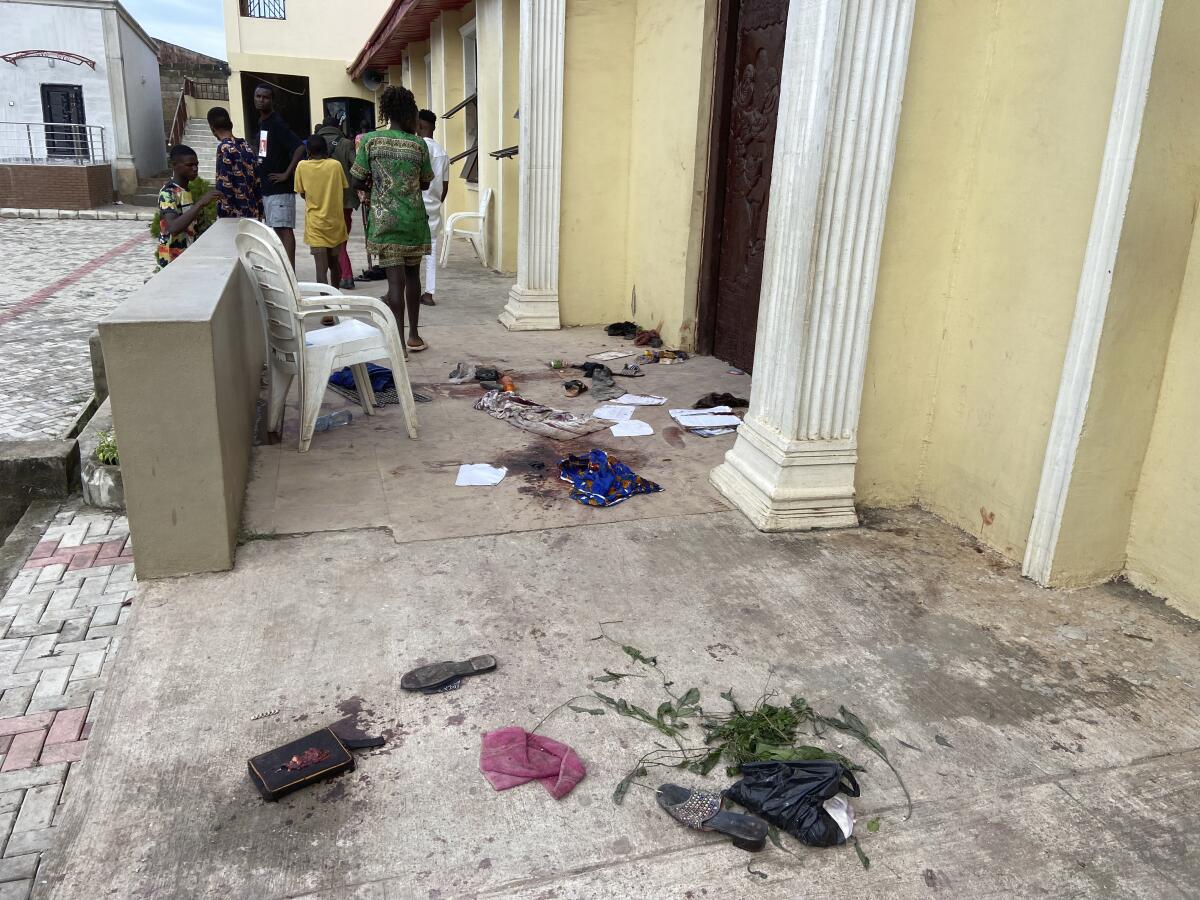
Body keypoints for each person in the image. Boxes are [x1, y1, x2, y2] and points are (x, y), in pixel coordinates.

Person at [351, 85, 433, 352]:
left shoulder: (371, 141)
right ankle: (414, 336)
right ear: (410, 112)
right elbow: (424, 183)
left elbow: (356, 179)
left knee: (394, 282)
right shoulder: (418, 144)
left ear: (386, 111)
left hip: (385, 220)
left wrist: (376, 182)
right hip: (412, 220)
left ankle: (397, 344)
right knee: (413, 276)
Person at [253, 83, 306, 268]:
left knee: (284, 230)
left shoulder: (277, 123)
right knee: (276, 229)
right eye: (258, 96)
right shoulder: (263, 123)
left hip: (280, 189)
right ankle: (283, 270)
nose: (261, 100)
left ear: (272, 100)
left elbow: (299, 147)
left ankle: (290, 272)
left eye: (265, 97)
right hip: (268, 189)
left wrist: (286, 174)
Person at [293, 134, 349, 286]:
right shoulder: (335, 165)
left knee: (321, 268)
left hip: (316, 224)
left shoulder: (302, 167)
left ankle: (326, 303)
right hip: (335, 224)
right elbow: (343, 188)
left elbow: (303, 193)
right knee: (334, 264)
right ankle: (336, 295)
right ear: (325, 150)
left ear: (308, 151)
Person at [156, 145, 219, 271]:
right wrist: (200, 203)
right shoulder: (168, 193)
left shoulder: (186, 191)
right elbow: (173, 227)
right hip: (172, 262)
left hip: (187, 258)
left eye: (196, 164)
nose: (195, 169)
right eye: (189, 165)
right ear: (174, 165)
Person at [315, 114, 359, 289]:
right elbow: (356, 167)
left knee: (327, 242)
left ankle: (343, 275)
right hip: (344, 199)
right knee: (341, 239)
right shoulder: (346, 143)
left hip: (321, 201)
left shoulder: (315, 143)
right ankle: (345, 275)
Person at [416, 109, 450, 306]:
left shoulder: (416, 148)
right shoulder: (442, 153)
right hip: (434, 207)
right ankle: (429, 293)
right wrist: (436, 202)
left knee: (410, 251)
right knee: (431, 250)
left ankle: (404, 290)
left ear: (420, 126)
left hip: (415, 205)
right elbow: (445, 187)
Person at [207, 106, 261, 220]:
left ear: (212, 129)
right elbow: (257, 181)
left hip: (234, 217)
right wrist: (260, 210)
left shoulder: (224, 148)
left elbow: (225, 183)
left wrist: (222, 215)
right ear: (231, 124)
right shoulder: (247, 147)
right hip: (252, 212)